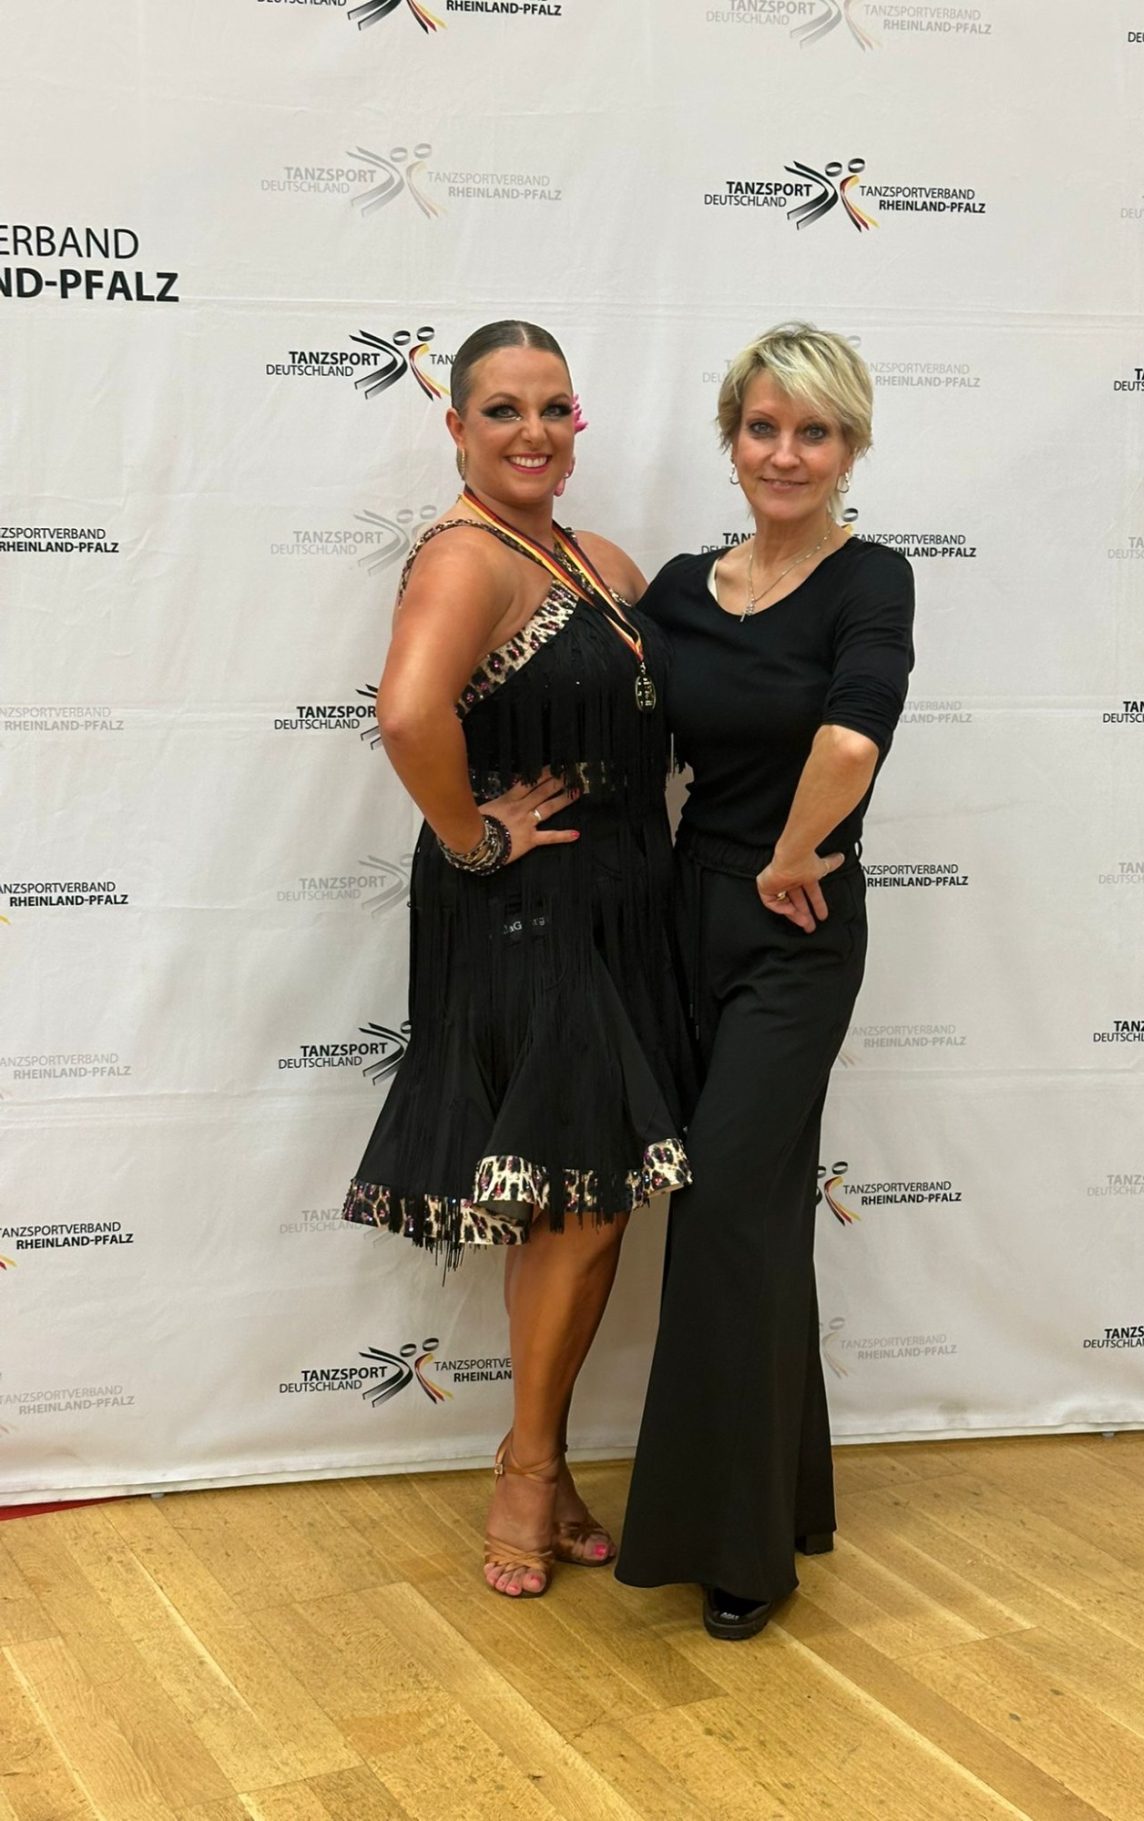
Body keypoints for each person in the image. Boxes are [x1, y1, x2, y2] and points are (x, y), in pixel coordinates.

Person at [342, 320, 693, 1599]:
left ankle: (542, 1459)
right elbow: (406, 712)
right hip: (526, 913)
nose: (533, 431)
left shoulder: (597, 559)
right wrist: (473, 837)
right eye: (502, 409)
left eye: (554, 407)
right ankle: (527, 1470)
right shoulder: (465, 555)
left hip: (625, 907)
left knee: (575, 1201)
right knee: (580, 1205)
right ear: (456, 427)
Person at [615, 323, 914, 1638]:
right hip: (684, 918)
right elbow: (618, 720)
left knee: (727, 1206)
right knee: (758, 1211)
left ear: (849, 446)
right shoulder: (683, 588)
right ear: (730, 438)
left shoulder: (871, 577)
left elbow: (850, 739)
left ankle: (730, 1547)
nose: (785, 454)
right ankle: (783, 1499)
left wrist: (792, 856)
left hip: (798, 925)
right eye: (763, 428)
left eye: (814, 432)